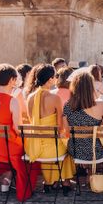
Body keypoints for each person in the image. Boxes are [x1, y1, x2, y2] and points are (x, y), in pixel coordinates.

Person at [0, 64, 37, 202]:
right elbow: (17, 129)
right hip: (4, 148)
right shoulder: (12, 101)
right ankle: (20, 184)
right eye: (15, 80)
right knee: (30, 151)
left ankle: (7, 178)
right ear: (11, 80)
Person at [25, 64, 75, 193]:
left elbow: (31, 120)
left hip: (34, 147)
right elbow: (60, 127)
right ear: (50, 79)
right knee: (67, 145)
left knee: (56, 143)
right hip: (52, 148)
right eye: (55, 76)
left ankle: (49, 182)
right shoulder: (54, 98)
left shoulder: (30, 98)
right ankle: (65, 182)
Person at [65, 72, 103, 163]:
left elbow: (66, 132)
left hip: (75, 151)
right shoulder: (101, 105)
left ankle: (85, 171)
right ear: (91, 87)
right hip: (97, 151)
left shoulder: (67, 106)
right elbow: (101, 129)